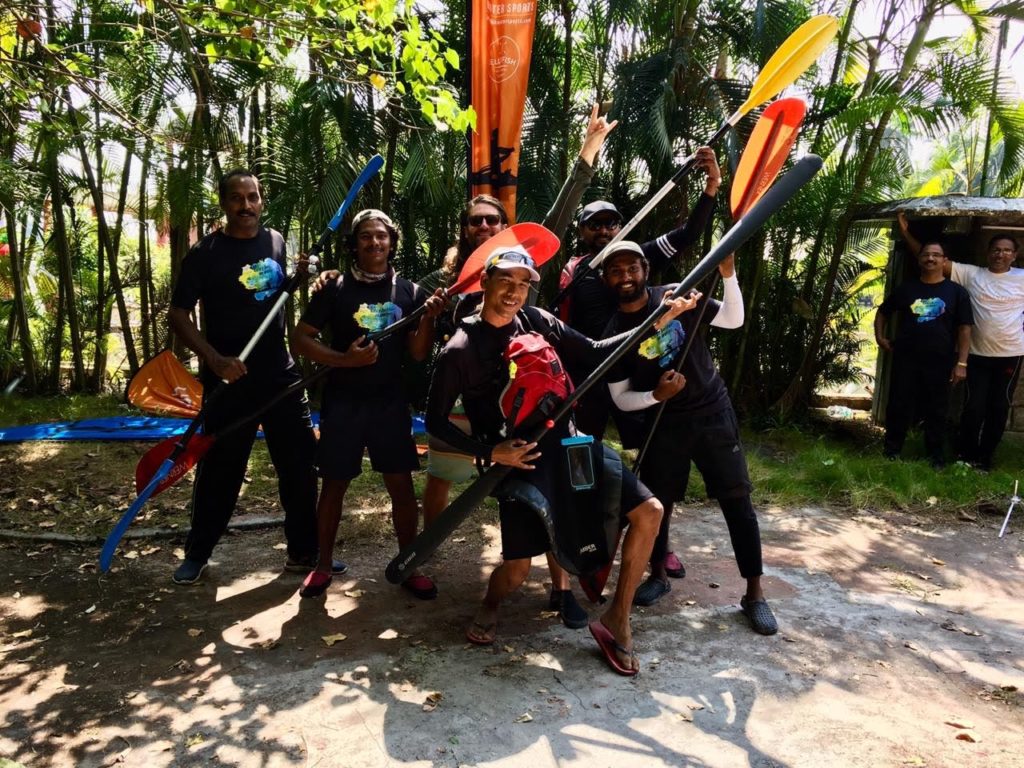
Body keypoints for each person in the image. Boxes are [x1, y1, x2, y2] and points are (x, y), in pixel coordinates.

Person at [425, 246, 696, 674]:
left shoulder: (536, 320)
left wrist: (657, 320)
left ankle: (617, 619)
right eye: (505, 281)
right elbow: (434, 422)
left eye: (523, 283)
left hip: (570, 446)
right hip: (522, 460)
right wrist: (489, 452)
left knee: (650, 511)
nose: (514, 292)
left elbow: (593, 351)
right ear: (486, 282)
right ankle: (491, 603)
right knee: (515, 573)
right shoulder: (461, 348)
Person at [417, 104, 619, 625]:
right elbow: (428, 376)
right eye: (476, 221)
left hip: (544, 417)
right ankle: (439, 566)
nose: (484, 226)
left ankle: (563, 588)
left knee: (567, 507)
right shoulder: (447, 298)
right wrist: (430, 318)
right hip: (482, 412)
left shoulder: (531, 306)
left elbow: (547, 230)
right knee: (463, 493)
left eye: (493, 221)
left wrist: (586, 158)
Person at [168, 169, 344, 585]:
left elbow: (280, 293)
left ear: (262, 201)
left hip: (280, 376)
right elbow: (178, 315)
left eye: (253, 197)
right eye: (237, 198)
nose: (246, 205)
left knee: (299, 465)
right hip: (229, 380)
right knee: (221, 469)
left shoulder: (277, 242)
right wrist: (214, 359)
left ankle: (304, 552)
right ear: (224, 203)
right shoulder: (205, 253)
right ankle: (198, 552)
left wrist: (305, 276)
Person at [602, 242, 778, 635]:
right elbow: (620, 397)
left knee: (737, 500)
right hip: (663, 422)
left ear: (646, 269)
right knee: (658, 504)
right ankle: (659, 574)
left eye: (632, 268)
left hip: (713, 413)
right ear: (606, 279)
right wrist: (655, 396)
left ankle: (754, 592)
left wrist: (729, 272)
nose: (626, 277)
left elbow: (733, 320)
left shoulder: (676, 296)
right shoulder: (613, 333)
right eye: (616, 271)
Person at [291, 209, 444, 599]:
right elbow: (301, 338)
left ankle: (408, 565)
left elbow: (418, 352)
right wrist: (344, 359)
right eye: (365, 237)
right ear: (354, 244)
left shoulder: (409, 291)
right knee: (334, 484)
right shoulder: (335, 288)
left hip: (389, 405)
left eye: (381, 236)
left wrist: (426, 320)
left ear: (392, 242)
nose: (374, 243)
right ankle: (323, 565)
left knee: (401, 486)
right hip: (343, 403)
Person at [554, 148, 721, 456]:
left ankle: (646, 499)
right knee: (581, 447)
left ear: (621, 228)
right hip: (589, 373)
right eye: (595, 225)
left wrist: (710, 188)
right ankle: (581, 500)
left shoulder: (636, 259)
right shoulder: (574, 271)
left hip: (632, 368)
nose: (604, 230)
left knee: (648, 446)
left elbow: (689, 233)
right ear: (582, 231)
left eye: (611, 224)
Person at [899, 213, 1024, 470]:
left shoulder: (1021, 277)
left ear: (1015, 255)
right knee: (973, 407)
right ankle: (966, 455)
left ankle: (985, 458)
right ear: (988, 252)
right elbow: (932, 262)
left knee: (999, 408)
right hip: (975, 355)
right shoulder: (971, 274)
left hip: (1010, 354)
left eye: (1006, 251)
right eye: (996, 250)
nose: (1001, 254)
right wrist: (905, 234)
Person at [873, 240, 973, 467]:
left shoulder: (957, 292)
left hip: (940, 360)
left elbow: (965, 329)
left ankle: (935, 457)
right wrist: (880, 338)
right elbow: (883, 312)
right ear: (919, 260)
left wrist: (962, 363)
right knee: (899, 404)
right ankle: (891, 451)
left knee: (937, 408)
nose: (931, 258)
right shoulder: (907, 289)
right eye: (926, 254)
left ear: (944, 261)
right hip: (906, 357)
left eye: (936, 255)